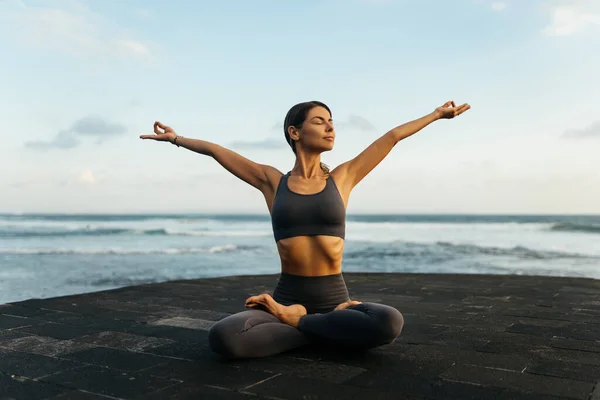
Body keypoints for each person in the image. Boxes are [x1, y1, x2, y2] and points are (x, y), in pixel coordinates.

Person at [140, 100, 470, 358]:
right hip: (286, 297)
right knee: (224, 338)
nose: (330, 128)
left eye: (331, 123)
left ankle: (300, 323)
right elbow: (218, 152)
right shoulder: (272, 181)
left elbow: (392, 137)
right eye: (320, 121)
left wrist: (436, 114)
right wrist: (176, 139)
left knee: (389, 322)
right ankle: (323, 329)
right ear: (294, 132)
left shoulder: (342, 177)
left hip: (335, 301)